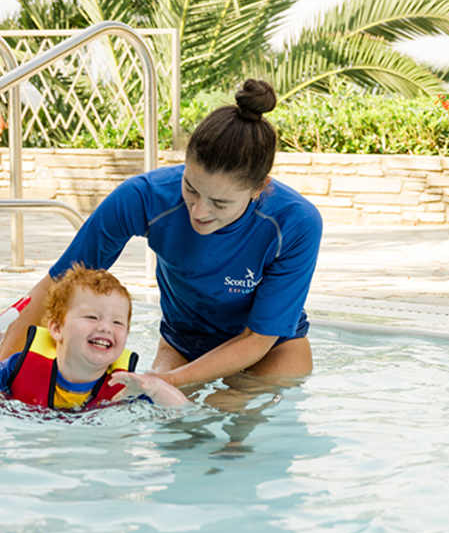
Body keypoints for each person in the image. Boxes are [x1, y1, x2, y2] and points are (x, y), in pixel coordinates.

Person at [0, 79, 323, 392]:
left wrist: (169, 381)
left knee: (232, 425)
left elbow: (259, 338)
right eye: (191, 189)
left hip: (272, 350)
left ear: (259, 189)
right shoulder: (144, 197)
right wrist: (7, 368)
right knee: (173, 425)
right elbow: (60, 283)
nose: (199, 211)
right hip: (184, 341)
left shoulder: (296, 222)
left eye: (220, 203)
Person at [0, 264, 188, 409]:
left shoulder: (128, 386)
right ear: (57, 328)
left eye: (118, 323)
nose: (106, 328)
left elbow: (186, 413)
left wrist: (155, 388)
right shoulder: (17, 368)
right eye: (92, 317)